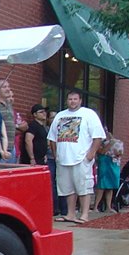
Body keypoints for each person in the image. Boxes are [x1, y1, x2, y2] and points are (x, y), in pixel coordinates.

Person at [47, 88, 105, 223]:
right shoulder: (60, 116)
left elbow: (98, 136)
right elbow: (52, 138)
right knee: (67, 188)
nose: (72, 102)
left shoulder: (89, 114)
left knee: (84, 186)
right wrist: (56, 155)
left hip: (81, 158)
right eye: (70, 99)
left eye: (75, 99)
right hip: (63, 158)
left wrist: (91, 154)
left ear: (80, 100)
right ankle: (70, 214)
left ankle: (84, 214)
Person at [94, 130, 124, 213]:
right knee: (102, 185)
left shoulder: (112, 140)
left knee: (110, 187)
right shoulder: (98, 143)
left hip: (112, 164)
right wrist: (111, 143)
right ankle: (95, 207)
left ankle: (108, 206)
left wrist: (118, 150)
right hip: (104, 164)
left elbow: (118, 149)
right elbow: (102, 151)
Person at [0, 79, 19, 163]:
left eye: (8, 86)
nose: (8, 89)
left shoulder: (8, 104)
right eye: (4, 87)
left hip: (11, 147)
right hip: (1, 148)